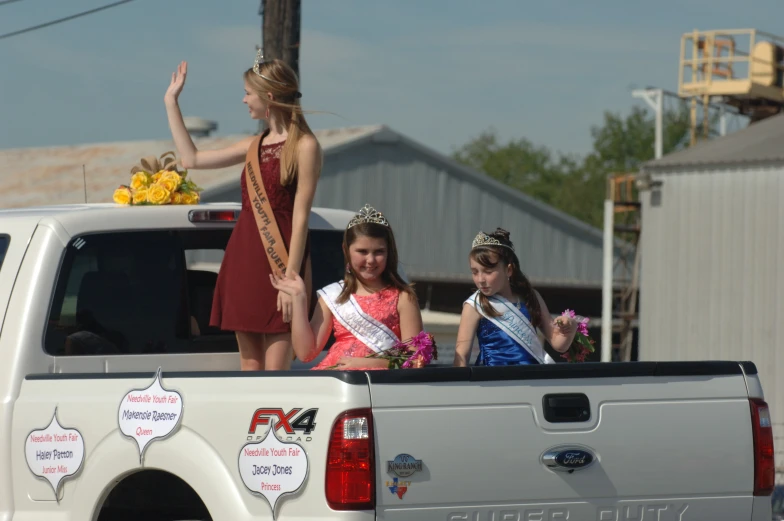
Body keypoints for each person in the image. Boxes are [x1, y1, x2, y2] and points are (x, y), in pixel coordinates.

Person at [163, 52, 322, 370]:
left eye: (249, 93)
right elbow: (191, 159)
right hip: (243, 258)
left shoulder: (305, 146)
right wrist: (171, 101)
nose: (244, 99)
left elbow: (301, 216)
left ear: (270, 97)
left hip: (281, 264)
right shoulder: (253, 145)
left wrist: (290, 282)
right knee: (249, 366)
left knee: (275, 372)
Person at [269, 204, 424, 370]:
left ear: (389, 252)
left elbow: (416, 360)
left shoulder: (403, 297)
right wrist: (299, 299)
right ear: (346, 250)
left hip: (379, 384)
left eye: (379, 252)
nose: (371, 260)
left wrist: (367, 363)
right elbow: (306, 353)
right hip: (334, 380)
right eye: (362, 251)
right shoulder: (333, 295)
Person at [453, 228, 576, 367]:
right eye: (475, 272)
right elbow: (461, 355)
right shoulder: (474, 305)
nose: (480, 279)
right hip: (492, 381)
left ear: (509, 270)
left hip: (531, 379)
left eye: (488, 271)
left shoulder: (531, 297)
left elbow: (558, 344)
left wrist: (569, 328)